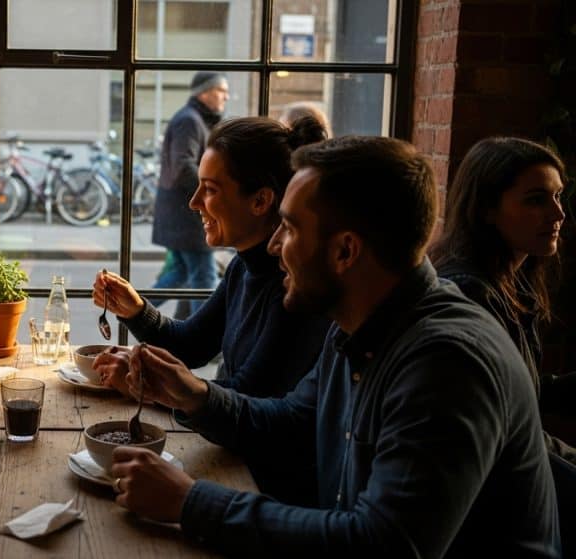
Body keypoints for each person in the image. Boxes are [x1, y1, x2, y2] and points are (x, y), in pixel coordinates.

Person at [110, 136, 560, 556]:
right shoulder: (356, 324)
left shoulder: (446, 362)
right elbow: (291, 422)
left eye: (289, 228)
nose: (274, 245)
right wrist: (192, 394)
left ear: (345, 251)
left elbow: (384, 543)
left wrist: (191, 502)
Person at [93, 116, 330, 398]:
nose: (194, 202)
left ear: (260, 201)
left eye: (210, 189)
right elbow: (191, 345)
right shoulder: (242, 266)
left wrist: (149, 384)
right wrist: (136, 310)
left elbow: (248, 396)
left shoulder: (293, 287)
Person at [430, 136, 573, 556]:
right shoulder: (470, 293)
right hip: (495, 507)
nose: (558, 213)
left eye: (557, 196)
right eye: (536, 200)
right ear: (487, 209)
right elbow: (507, 429)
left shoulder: (511, 282)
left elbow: (522, 395)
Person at [149, 71, 230, 318]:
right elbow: (183, 167)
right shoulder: (190, 121)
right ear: (204, 93)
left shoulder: (195, 119)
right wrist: (214, 192)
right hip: (188, 217)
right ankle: (203, 338)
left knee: (181, 273)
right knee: (204, 278)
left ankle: (130, 310)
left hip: (182, 215)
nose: (225, 97)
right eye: (220, 91)